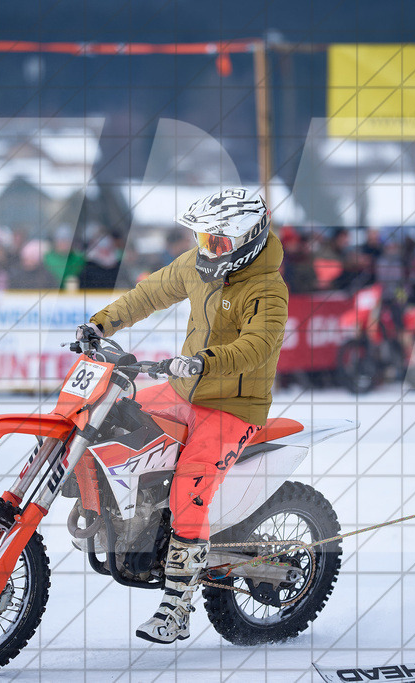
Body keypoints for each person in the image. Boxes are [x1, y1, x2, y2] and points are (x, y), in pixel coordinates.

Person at [76, 188, 288, 644]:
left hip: (233, 406)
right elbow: (149, 293)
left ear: (250, 238)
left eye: (219, 242)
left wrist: (204, 361)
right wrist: (101, 323)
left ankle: (176, 610)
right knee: (112, 420)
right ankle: (128, 523)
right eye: (204, 239)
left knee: (190, 490)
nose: (209, 249)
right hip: (182, 390)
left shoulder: (268, 288)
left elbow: (260, 344)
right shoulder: (197, 265)